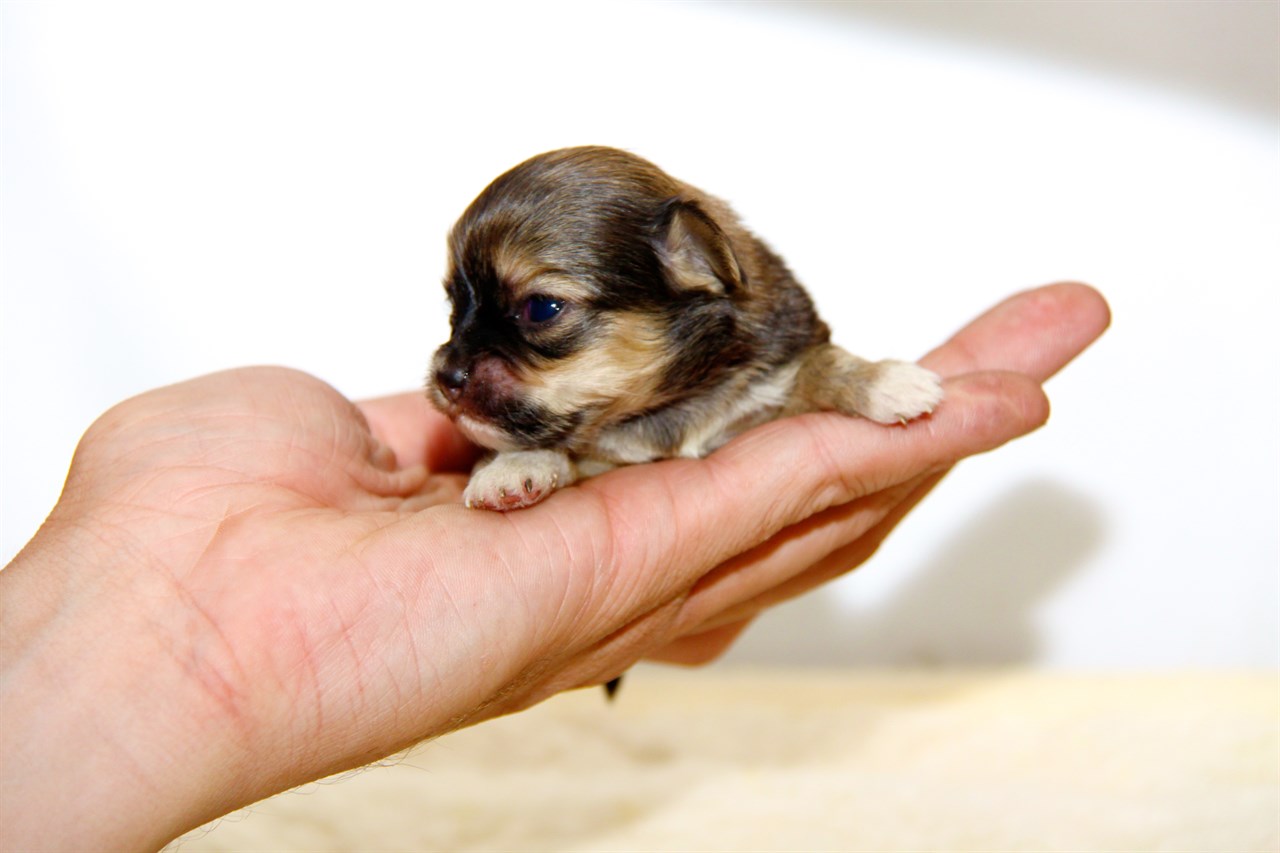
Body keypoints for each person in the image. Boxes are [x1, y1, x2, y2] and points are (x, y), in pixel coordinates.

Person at [0, 283, 1108, 850]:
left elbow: (811, 368)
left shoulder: (763, 330)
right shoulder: (533, 413)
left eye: (536, 314)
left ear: (692, 276)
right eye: (462, 312)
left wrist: (853, 384)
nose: (454, 361)